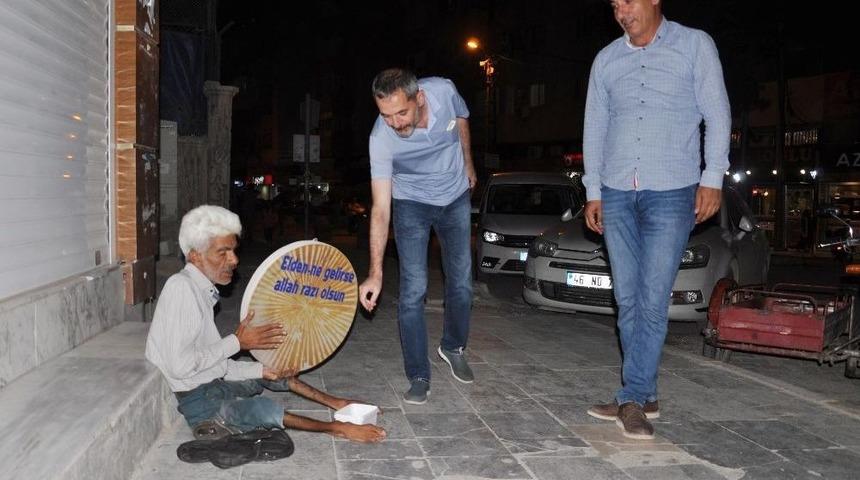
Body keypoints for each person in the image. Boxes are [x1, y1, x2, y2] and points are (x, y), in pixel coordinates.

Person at [581, 0, 730, 440]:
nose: (621, 11)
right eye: (614, 5)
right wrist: (593, 190)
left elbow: (716, 113)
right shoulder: (606, 60)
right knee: (627, 299)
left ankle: (631, 398)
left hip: (673, 190)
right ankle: (645, 394)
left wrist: (712, 178)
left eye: (628, 1)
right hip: (616, 191)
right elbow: (595, 125)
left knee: (651, 296)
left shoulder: (694, 45)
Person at [145, 205, 386, 444]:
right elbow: (181, 367)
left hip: (212, 382)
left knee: (271, 370)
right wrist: (237, 342)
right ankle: (336, 428)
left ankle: (337, 403)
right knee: (261, 409)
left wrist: (265, 370)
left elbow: (213, 365)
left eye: (234, 250)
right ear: (195, 255)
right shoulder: (181, 288)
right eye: (223, 252)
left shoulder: (200, 290)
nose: (234, 259)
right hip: (199, 401)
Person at [358, 68, 478, 405]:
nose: (395, 123)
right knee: (413, 289)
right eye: (386, 115)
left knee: (462, 283)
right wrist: (376, 272)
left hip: (454, 196)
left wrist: (469, 163)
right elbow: (381, 208)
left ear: (419, 98)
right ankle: (418, 374)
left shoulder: (444, 91)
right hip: (410, 202)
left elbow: (462, 120)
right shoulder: (380, 138)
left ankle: (453, 347)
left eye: (402, 112)